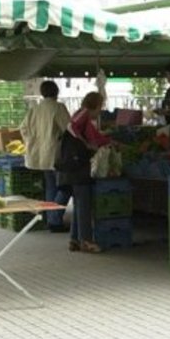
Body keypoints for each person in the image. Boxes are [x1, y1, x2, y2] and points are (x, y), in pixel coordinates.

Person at [56, 91, 111, 254]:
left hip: (72, 167)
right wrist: (85, 144)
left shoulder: (81, 115)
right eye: (100, 106)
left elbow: (94, 137)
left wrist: (105, 140)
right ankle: (86, 241)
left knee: (80, 204)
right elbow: (73, 128)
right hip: (78, 167)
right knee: (84, 204)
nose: (101, 110)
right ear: (96, 105)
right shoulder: (84, 115)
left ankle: (74, 240)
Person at [19, 80, 71, 232]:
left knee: (51, 187)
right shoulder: (58, 107)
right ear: (57, 92)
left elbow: (23, 128)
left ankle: (51, 220)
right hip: (55, 154)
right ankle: (55, 220)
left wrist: (32, 141)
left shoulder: (34, 108)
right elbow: (68, 129)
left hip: (38, 154)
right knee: (65, 187)